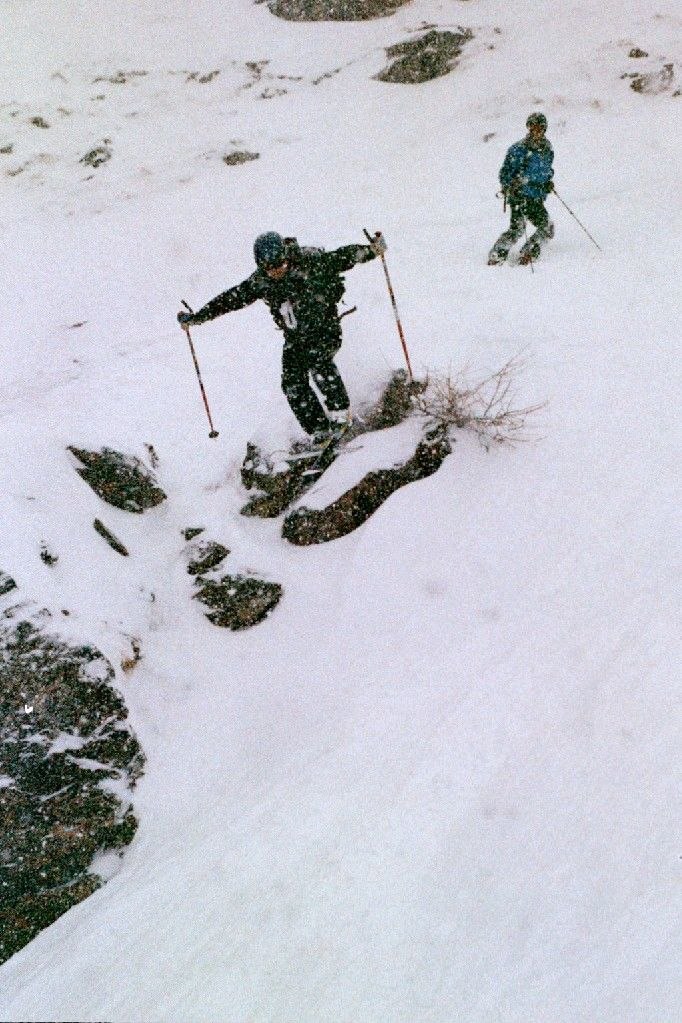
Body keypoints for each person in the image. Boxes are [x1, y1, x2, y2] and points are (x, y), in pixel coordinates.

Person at [178, 232, 386, 442]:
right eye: (269, 267)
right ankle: (318, 428)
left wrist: (371, 250)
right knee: (291, 382)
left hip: (325, 328)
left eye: (280, 263)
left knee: (318, 361)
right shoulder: (261, 281)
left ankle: (340, 414)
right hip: (296, 337)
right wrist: (198, 317)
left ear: (286, 255)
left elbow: (343, 257)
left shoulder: (309, 261)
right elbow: (230, 299)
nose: (276, 270)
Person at [488, 112, 555, 265]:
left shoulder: (548, 149)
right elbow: (505, 173)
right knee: (518, 229)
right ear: (528, 128)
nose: (536, 131)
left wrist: (548, 181)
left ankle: (528, 253)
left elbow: (547, 169)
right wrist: (510, 186)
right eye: (533, 127)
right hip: (520, 196)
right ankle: (497, 255)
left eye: (540, 127)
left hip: (536, 197)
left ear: (544, 129)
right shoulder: (518, 149)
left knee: (547, 227)